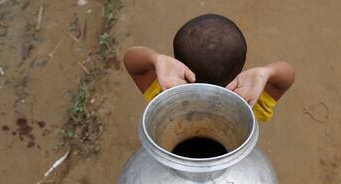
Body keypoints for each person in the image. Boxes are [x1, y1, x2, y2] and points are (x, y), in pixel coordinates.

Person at [124, 14, 295, 121]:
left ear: (179, 66)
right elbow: (286, 78)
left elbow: (131, 61)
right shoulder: (248, 102)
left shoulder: (165, 95)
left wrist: (156, 59)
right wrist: (267, 72)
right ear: (241, 70)